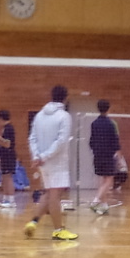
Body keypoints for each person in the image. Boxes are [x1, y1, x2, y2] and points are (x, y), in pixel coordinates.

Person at [24, 85, 78, 241]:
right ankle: (58, 230)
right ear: (65, 98)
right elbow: (61, 141)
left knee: (48, 193)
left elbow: (32, 138)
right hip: (56, 162)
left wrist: (37, 156)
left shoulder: (39, 115)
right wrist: (44, 156)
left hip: (43, 162)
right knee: (55, 196)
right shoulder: (64, 116)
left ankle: (34, 222)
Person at [89, 99, 121, 215]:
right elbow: (115, 140)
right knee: (109, 179)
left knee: (102, 178)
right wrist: (118, 155)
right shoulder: (111, 124)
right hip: (108, 155)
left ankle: (104, 205)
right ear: (108, 109)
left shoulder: (94, 123)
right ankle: (95, 201)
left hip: (97, 155)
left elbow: (91, 141)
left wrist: (95, 150)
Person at [0, 110, 17, 208]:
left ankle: (11, 200)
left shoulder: (9, 128)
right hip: (4, 155)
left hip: (9, 156)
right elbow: (3, 143)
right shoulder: (4, 128)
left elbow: (8, 144)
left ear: (1, 118)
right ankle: (6, 199)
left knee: (8, 177)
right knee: (4, 178)